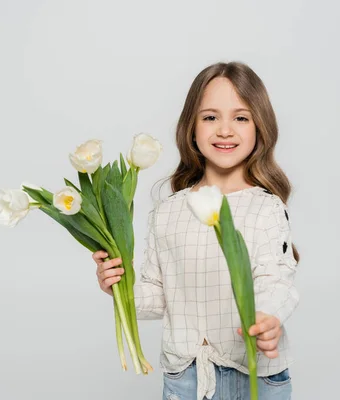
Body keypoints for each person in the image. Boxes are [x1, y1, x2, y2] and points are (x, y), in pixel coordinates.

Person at [92, 61, 300, 400]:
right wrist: (119, 283)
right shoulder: (169, 212)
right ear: (191, 127)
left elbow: (276, 279)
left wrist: (267, 318)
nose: (224, 130)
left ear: (260, 127)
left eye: (241, 117)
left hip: (255, 376)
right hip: (186, 379)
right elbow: (159, 295)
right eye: (210, 117)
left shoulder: (266, 207)